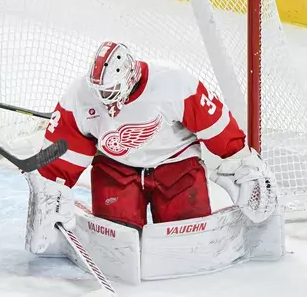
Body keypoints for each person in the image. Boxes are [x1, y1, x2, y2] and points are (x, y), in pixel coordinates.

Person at [24, 41, 278, 255]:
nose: (103, 96)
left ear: (129, 77)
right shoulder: (79, 95)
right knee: (117, 242)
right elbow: (69, 146)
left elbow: (214, 124)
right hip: (116, 169)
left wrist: (241, 159)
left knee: (188, 241)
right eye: (100, 89)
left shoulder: (173, 83)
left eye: (111, 89)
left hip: (175, 165)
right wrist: (52, 188)